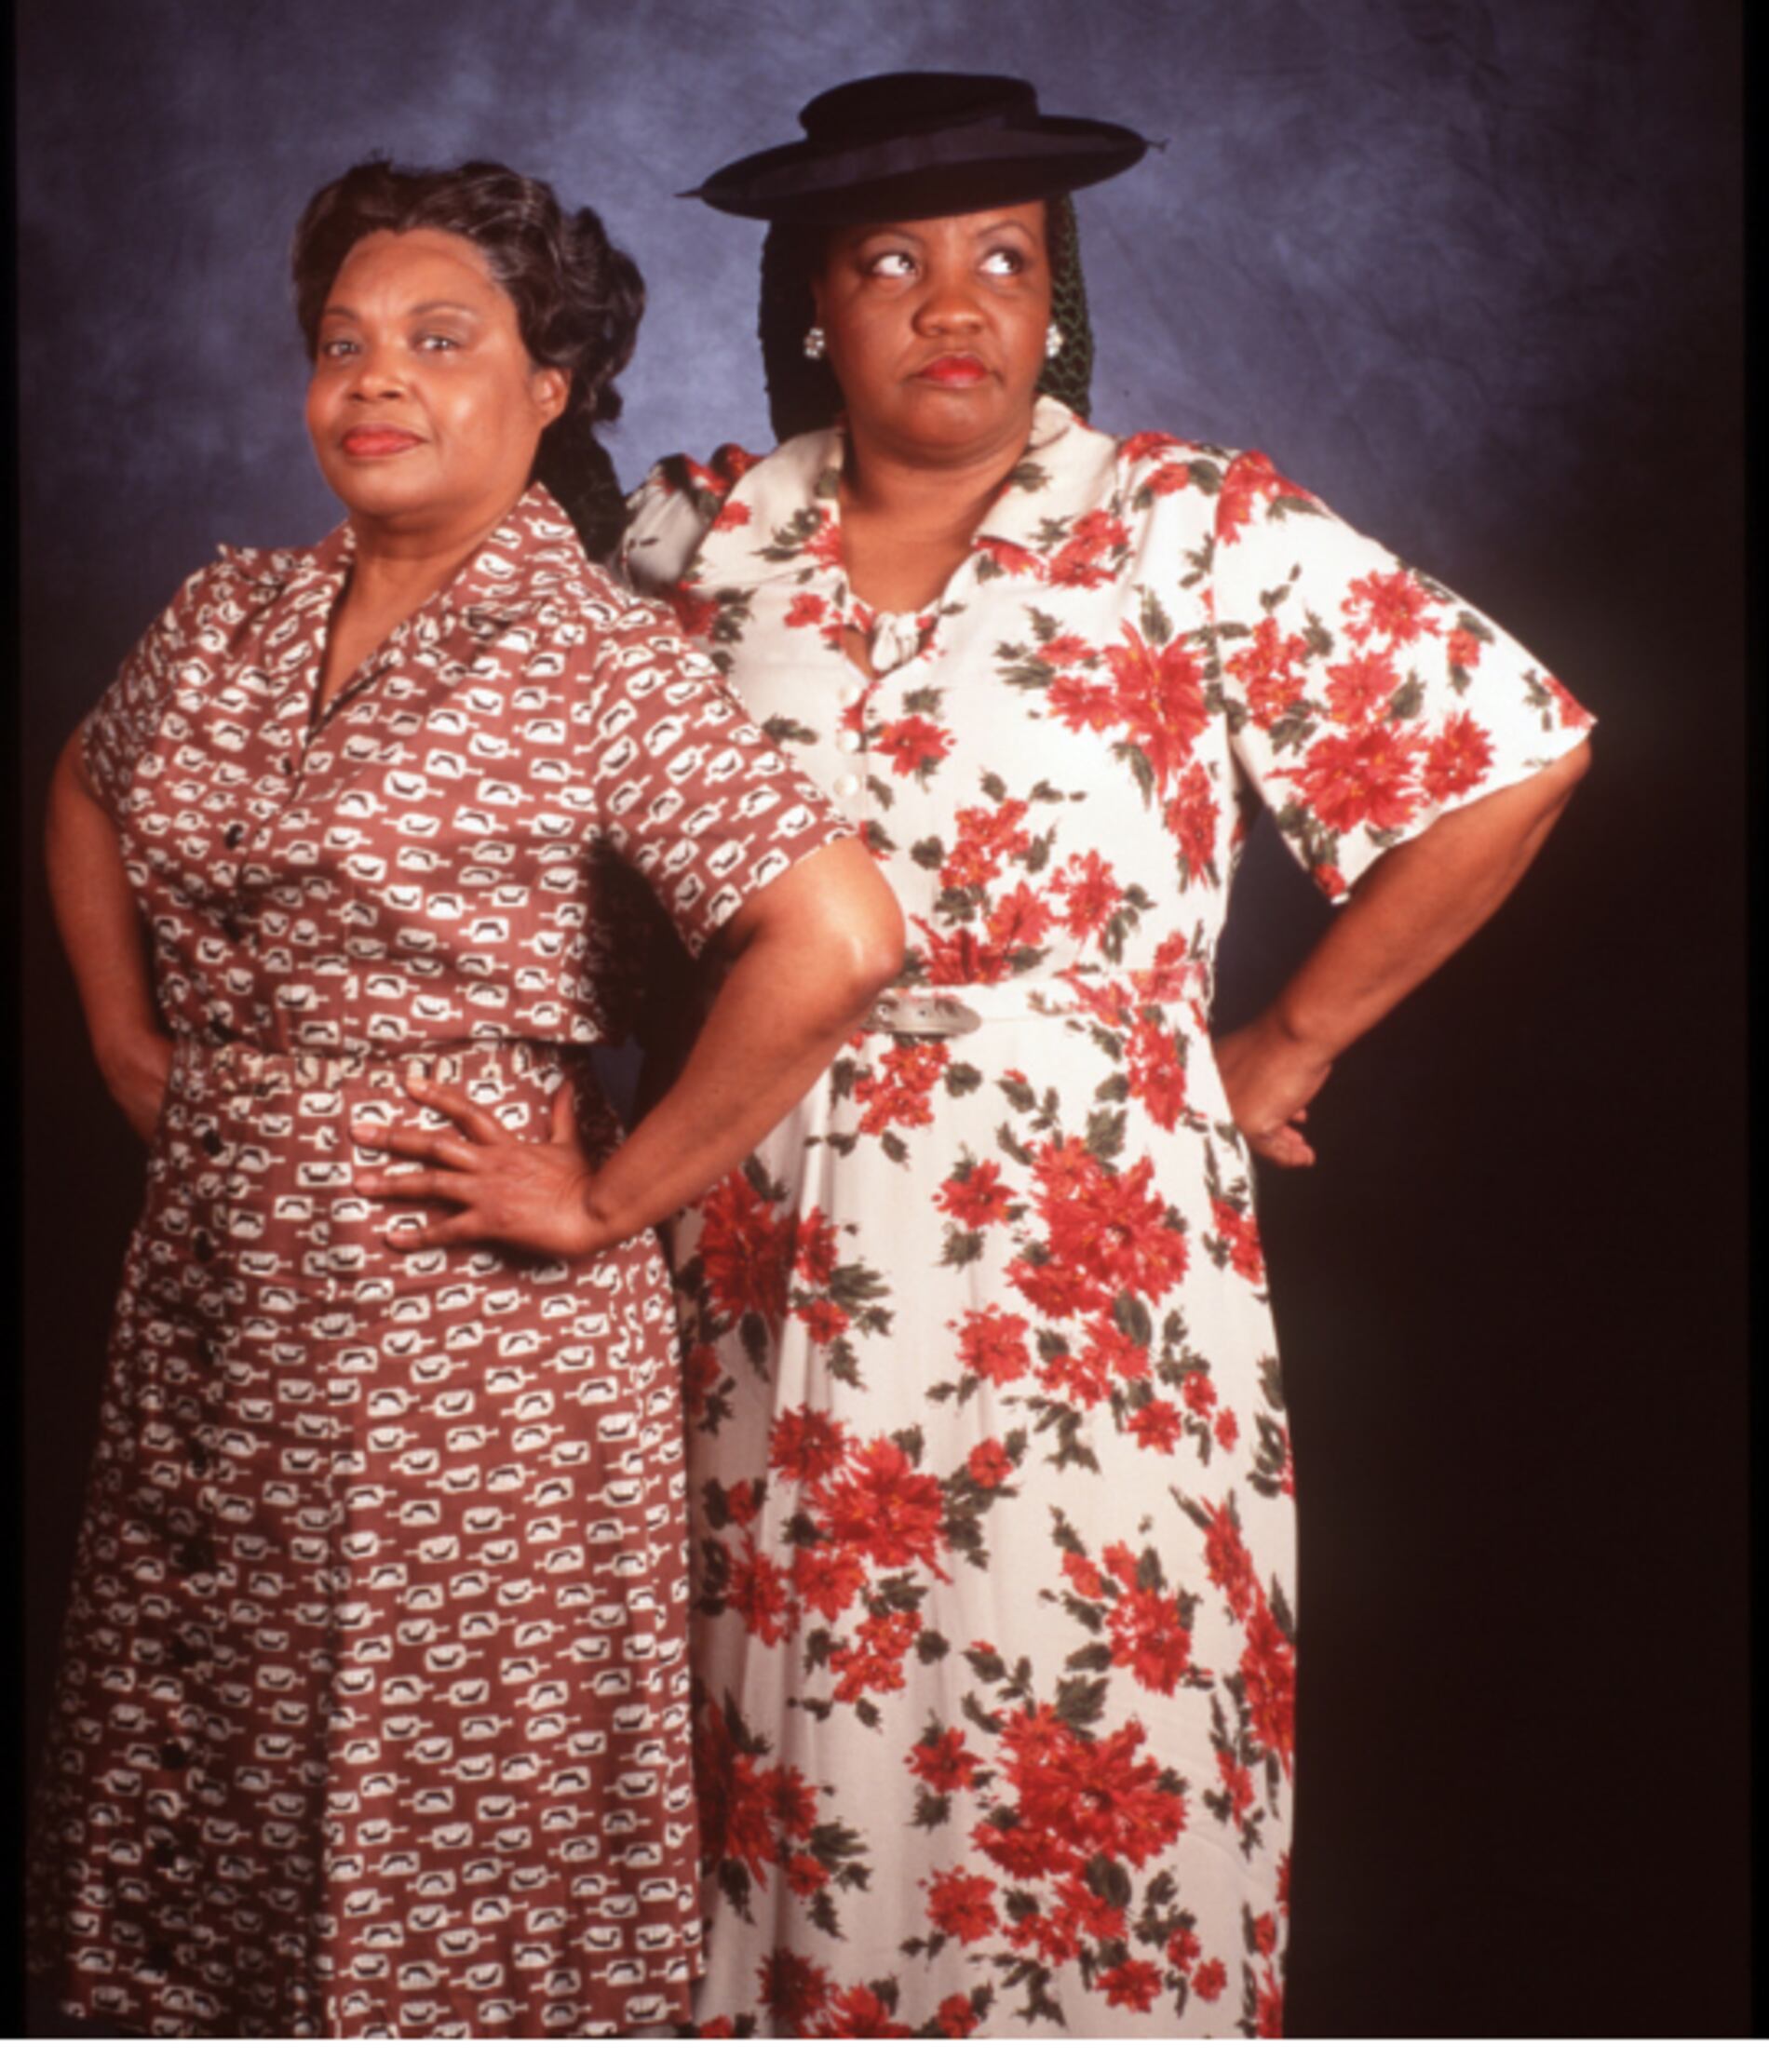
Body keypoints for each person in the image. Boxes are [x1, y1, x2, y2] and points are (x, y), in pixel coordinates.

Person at [581, 74, 1589, 2037]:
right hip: (748, 1218)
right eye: (894, 264)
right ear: (812, 306)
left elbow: (1514, 748)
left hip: (1084, 1241)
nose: (957, 305)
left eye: (1007, 261)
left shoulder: (1185, 530)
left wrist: (1285, 1042)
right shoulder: (696, 546)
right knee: (768, 1727)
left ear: (1058, 302)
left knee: (1075, 1715)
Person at [29, 158, 899, 2036]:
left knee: (430, 1800)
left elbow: (834, 936)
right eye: (344, 344)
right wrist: (125, 1045)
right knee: (209, 1753)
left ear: (550, 382)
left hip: (463, 1337)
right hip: (213, 1305)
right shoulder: (230, 613)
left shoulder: (595, 660)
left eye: (439, 341)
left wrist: (603, 1200)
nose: (375, 381)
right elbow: (92, 786)